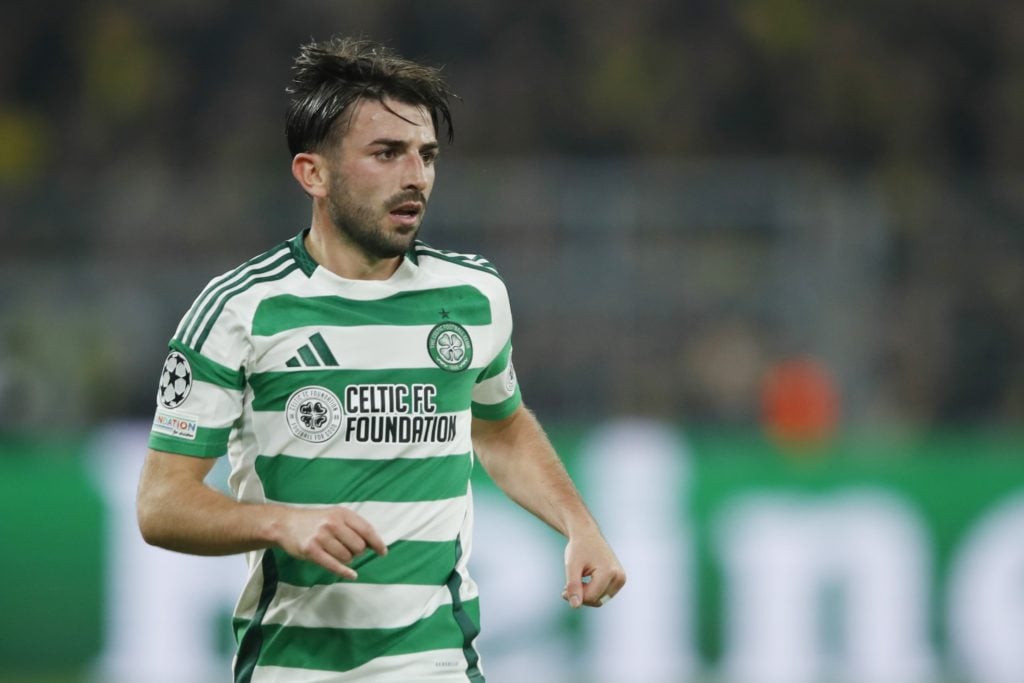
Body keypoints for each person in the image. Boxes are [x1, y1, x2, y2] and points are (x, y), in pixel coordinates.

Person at [136, 35, 625, 682]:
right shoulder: (240, 309)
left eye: (426, 155)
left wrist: (579, 524)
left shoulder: (473, 296)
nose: (415, 176)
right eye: (386, 153)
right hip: (296, 666)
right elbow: (161, 504)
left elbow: (501, 427)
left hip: (440, 662)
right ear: (314, 173)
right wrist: (281, 522)